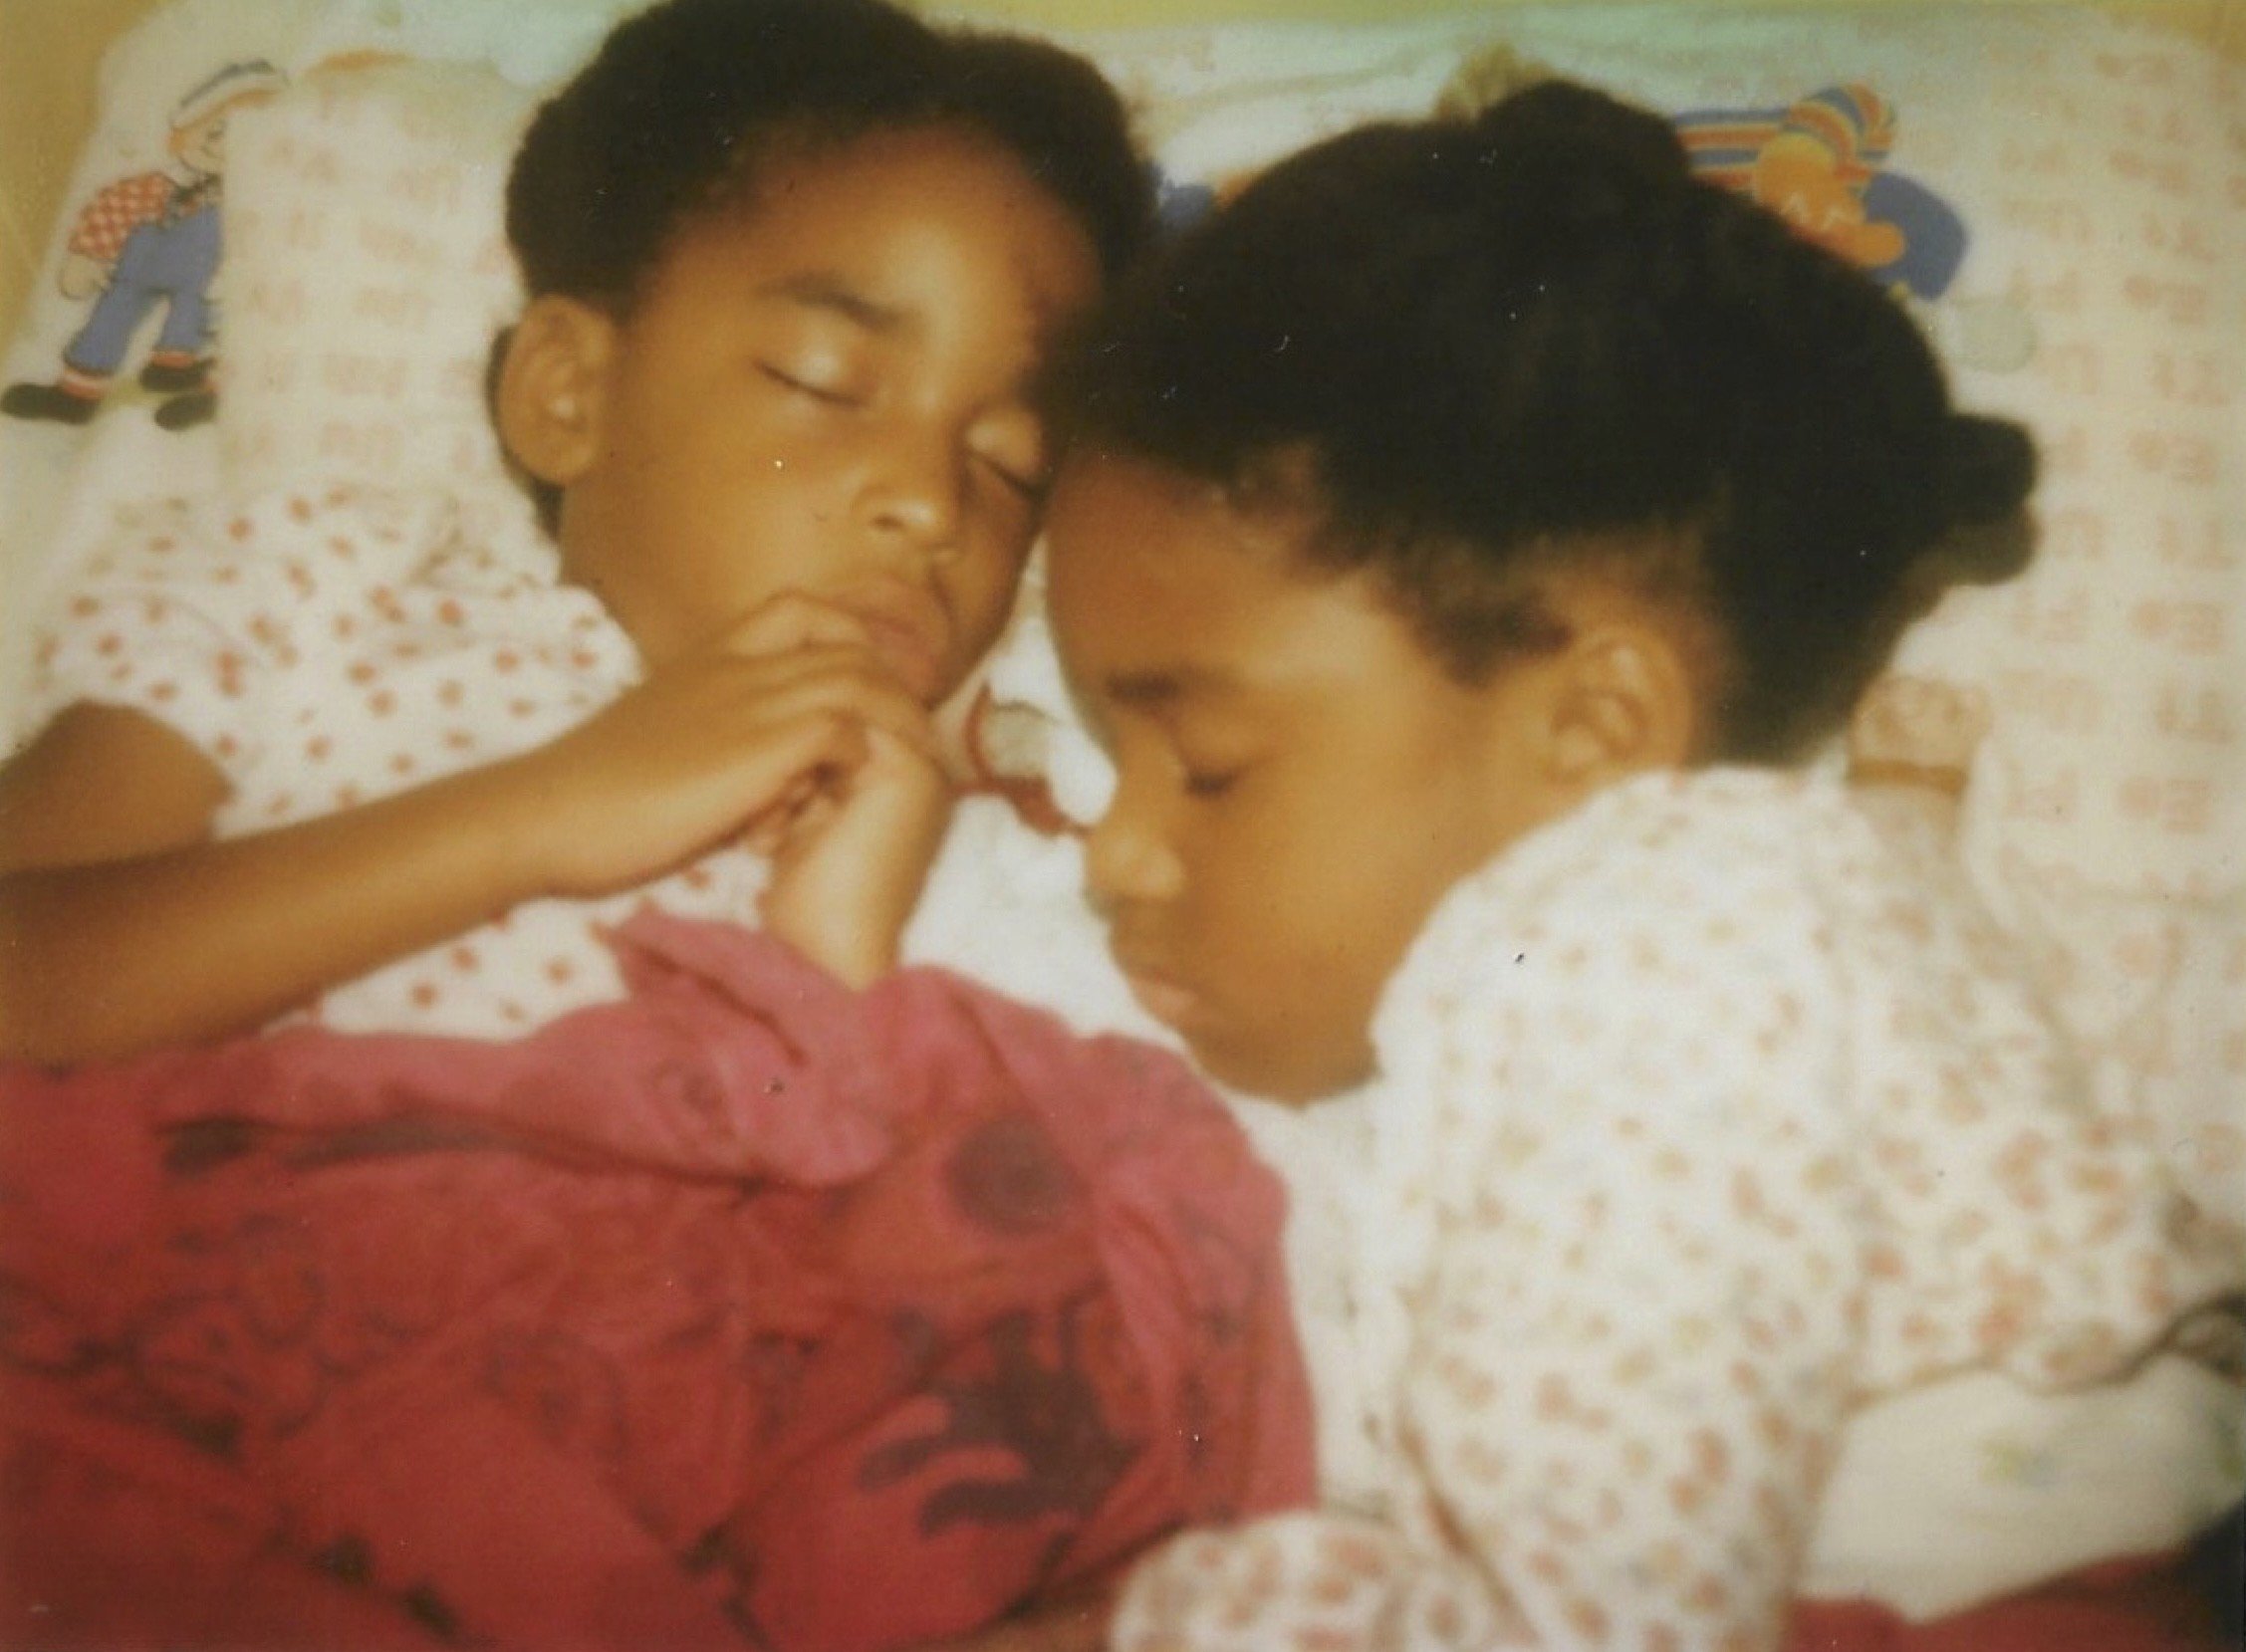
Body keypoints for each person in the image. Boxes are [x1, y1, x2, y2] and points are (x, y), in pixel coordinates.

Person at [1036, 79, 2244, 1651]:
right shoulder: (1699, 941)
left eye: (1206, 765)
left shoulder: (1662, 951)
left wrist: (1160, 1628)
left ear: (1595, 724)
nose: (1115, 853)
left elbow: (1605, 1621)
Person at [0, 0, 1149, 1062]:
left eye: (1010, 465)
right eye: (828, 381)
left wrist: (829, 976)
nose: (932, 504)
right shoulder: (317, 583)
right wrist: (549, 809)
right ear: (567, 394)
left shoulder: (968, 845)